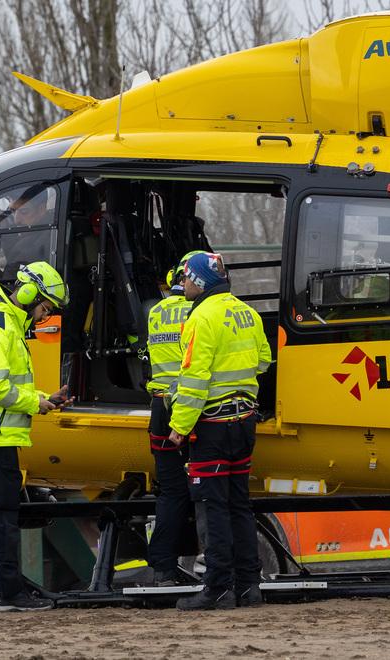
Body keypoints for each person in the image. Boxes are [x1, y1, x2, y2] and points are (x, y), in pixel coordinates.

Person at [0, 261, 72, 612]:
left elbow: (3, 386)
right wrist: (35, 403)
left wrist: (45, 398)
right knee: (2, 514)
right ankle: (7, 592)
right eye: (45, 308)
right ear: (30, 294)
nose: (44, 316)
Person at [169, 252, 272, 611]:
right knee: (239, 506)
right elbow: (263, 360)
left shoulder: (201, 317)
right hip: (244, 423)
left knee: (212, 509)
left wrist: (179, 427)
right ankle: (249, 587)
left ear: (199, 281)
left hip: (212, 427)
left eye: (186, 278)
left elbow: (194, 380)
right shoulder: (247, 312)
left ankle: (217, 588)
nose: (183, 284)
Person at [145, 251, 201, 585]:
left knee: (170, 491)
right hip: (190, 407)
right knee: (207, 486)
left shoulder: (156, 311)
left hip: (159, 408)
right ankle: (215, 565)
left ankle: (163, 568)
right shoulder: (199, 311)